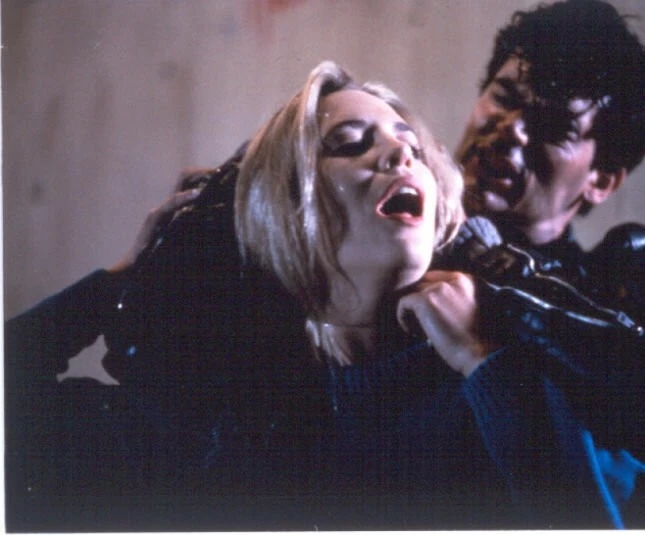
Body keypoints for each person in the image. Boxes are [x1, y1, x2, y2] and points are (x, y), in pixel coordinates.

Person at [6, 60, 645, 531]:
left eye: (411, 145)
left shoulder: (519, 382)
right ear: (284, 211)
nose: (399, 151)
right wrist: (116, 282)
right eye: (347, 144)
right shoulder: (226, 419)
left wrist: (488, 366)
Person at [452, 0, 645, 326]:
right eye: (504, 98)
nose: (512, 129)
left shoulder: (592, 318)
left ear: (601, 181)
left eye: (553, 126)